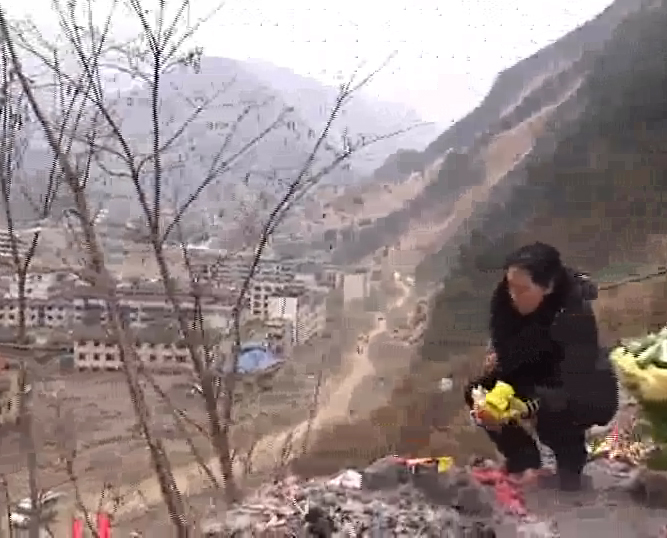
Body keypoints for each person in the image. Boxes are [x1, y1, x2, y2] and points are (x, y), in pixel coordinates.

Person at [464, 242, 618, 491]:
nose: (513, 295)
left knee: (552, 415)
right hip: (531, 367)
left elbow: (575, 380)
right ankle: (523, 460)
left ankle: (571, 467)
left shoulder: (574, 315)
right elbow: (503, 340)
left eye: (523, 289)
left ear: (548, 286)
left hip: (579, 386)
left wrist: (527, 407)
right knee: (478, 392)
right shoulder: (505, 296)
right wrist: (496, 395)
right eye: (510, 286)